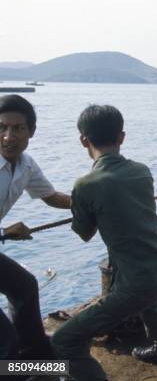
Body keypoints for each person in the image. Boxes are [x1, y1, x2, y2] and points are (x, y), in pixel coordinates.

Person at [51, 105, 157, 380]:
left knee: (62, 341)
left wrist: (79, 204)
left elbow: (84, 232)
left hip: (137, 283)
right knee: (149, 301)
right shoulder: (142, 171)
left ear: (84, 140)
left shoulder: (85, 184)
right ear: (121, 137)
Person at [0, 95, 72, 361]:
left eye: (18, 128)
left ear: (31, 131)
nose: (9, 136)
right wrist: (5, 232)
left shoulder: (26, 165)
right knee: (4, 341)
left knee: (24, 286)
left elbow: (53, 198)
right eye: (2, 128)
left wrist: (92, 202)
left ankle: (34, 356)